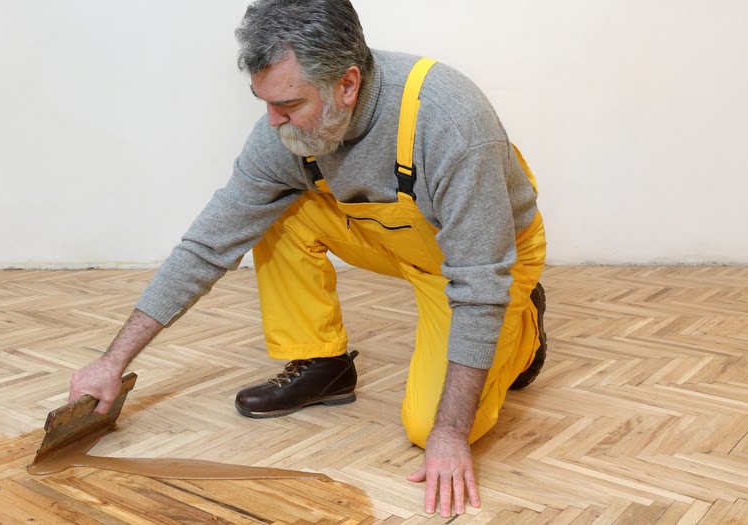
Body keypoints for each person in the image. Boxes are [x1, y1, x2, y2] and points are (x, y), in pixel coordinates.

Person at [70, 0, 547, 517]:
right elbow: (210, 243)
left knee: (426, 426)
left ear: (347, 84)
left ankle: (523, 332)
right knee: (274, 211)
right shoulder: (286, 133)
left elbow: (479, 282)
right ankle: (323, 364)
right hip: (392, 238)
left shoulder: (449, 121)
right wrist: (112, 362)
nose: (273, 122)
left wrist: (450, 433)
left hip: (487, 258)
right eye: (265, 102)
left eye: (289, 104)